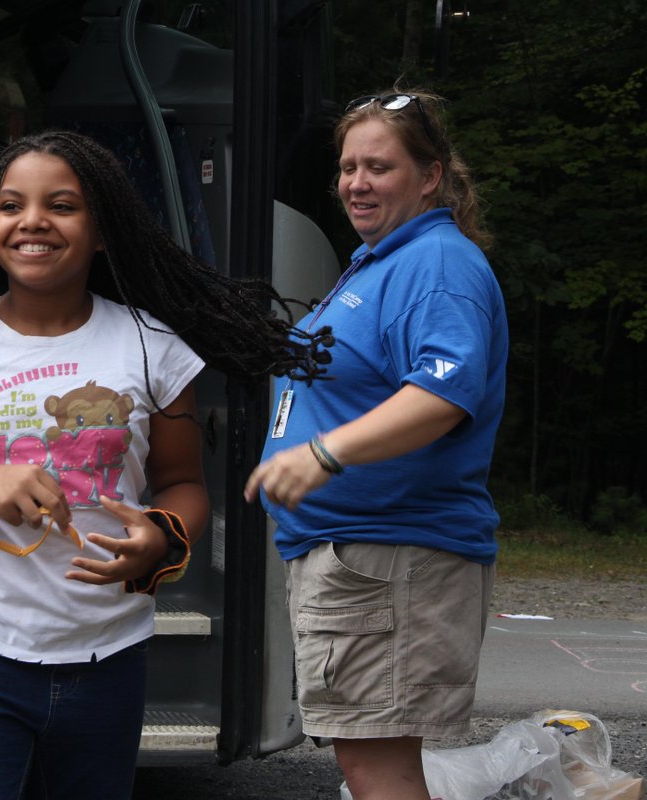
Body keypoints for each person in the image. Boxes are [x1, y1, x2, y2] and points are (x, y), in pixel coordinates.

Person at [0, 130, 330, 799]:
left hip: (108, 657)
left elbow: (182, 485)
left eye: (62, 205)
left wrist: (164, 538)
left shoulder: (151, 346)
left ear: (102, 230)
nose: (33, 221)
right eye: (10, 206)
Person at [244, 88, 508, 800]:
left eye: (379, 167)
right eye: (347, 166)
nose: (356, 183)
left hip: (391, 558)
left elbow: (444, 393)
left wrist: (322, 453)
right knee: (372, 765)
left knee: (378, 769)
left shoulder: (438, 264)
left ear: (430, 176)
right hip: (362, 557)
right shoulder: (382, 259)